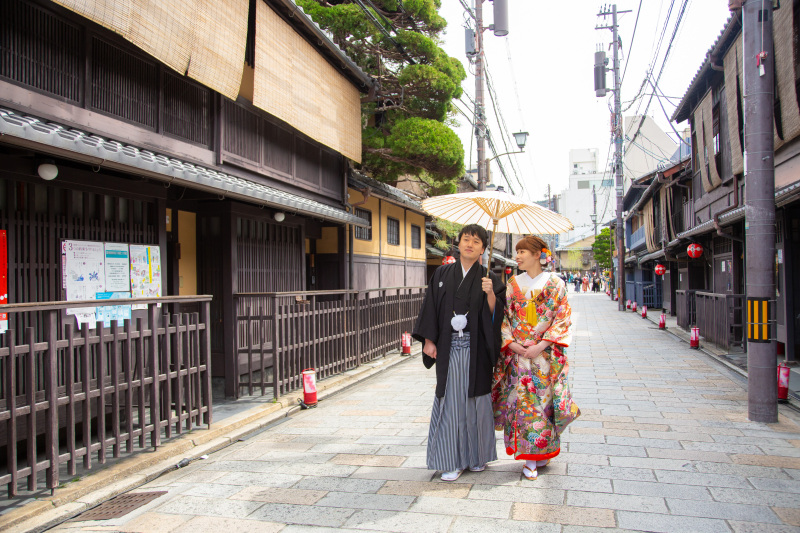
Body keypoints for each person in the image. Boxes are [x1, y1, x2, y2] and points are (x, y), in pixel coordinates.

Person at [412, 224, 506, 482]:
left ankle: (477, 457)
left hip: (477, 350)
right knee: (451, 402)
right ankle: (451, 460)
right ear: (459, 243)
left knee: (477, 401)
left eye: (476, 241)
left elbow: (498, 315)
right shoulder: (442, 273)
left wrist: (490, 294)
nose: (470, 244)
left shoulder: (489, 278)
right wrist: (428, 340)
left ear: (483, 249)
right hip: (449, 347)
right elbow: (430, 306)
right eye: (466, 239)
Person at [491, 235, 580, 480]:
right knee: (521, 405)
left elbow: (562, 318)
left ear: (537, 254)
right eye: (517, 251)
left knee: (543, 406)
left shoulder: (555, 283)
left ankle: (539, 452)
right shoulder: (512, 283)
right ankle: (529, 457)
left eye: (522, 252)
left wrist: (540, 345)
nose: (517, 256)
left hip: (544, 357)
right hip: (518, 356)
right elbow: (505, 318)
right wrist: (514, 345)